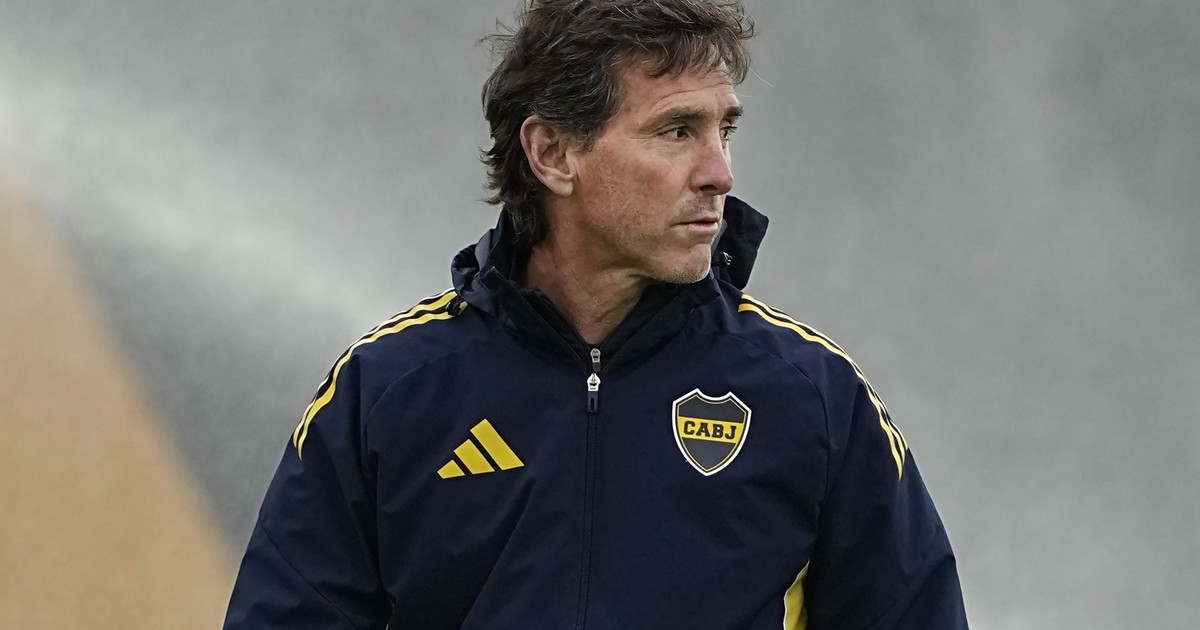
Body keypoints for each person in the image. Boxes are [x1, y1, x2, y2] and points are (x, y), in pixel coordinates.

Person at [223, 1, 968, 628]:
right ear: (552, 153)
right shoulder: (387, 389)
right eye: (676, 131)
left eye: (725, 130)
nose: (720, 172)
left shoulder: (812, 394)